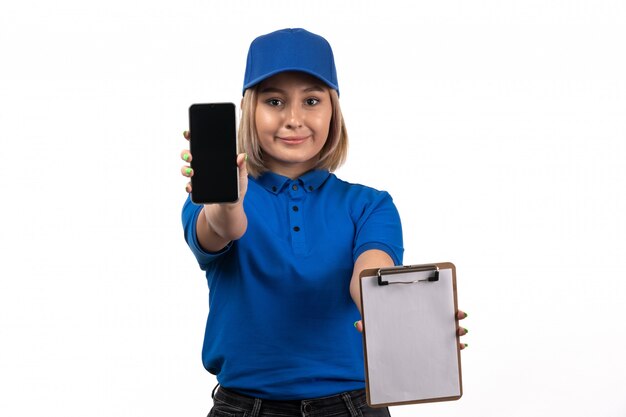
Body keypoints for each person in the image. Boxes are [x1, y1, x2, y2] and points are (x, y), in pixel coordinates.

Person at [180, 28, 468, 417]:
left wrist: (401, 314)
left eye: (311, 100)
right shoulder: (211, 198)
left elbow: (371, 272)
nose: (293, 118)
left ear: (333, 110)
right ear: (250, 109)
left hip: (354, 406)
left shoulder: (369, 204)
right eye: (274, 101)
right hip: (244, 407)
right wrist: (228, 200)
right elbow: (222, 228)